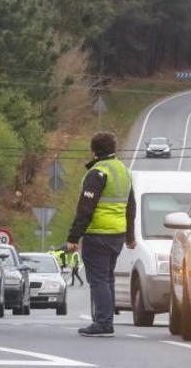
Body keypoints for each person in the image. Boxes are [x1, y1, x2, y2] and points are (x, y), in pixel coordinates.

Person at [66, 132, 136, 338]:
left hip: (98, 234)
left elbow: (85, 209)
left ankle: (103, 323)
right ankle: (106, 321)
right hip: (117, 235)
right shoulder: (124, 171)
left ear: (94, 150)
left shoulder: (98, 172)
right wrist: (130, 236)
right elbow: (131, 206)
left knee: (98, 280)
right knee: (107, 279)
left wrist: (73, 237)